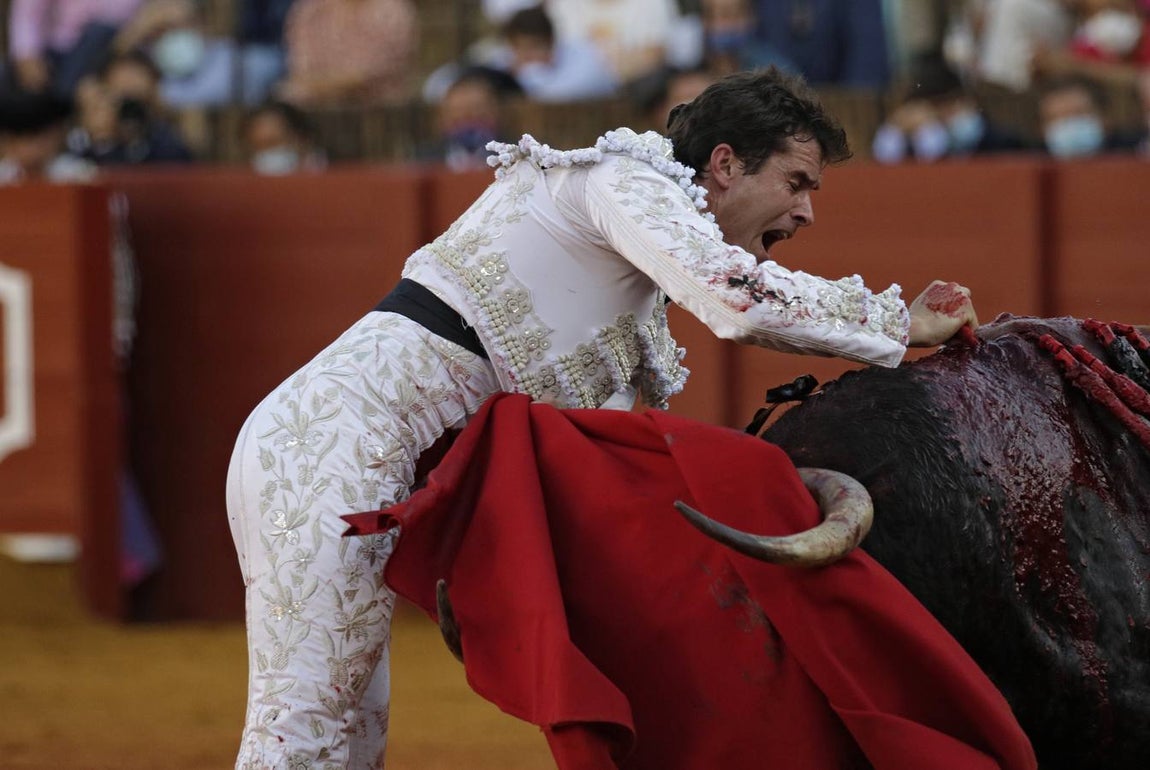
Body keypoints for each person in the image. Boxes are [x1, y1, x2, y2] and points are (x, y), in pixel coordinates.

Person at [224, 66, 978, 769]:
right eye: (796, 181)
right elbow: (735, 300)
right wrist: (894, 321)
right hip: (326, 445)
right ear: (724, 164)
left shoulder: (629, 282)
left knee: (353, 729)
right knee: (309, 726)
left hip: (371, 464)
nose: (807, 209)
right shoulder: (618, 180)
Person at [278, 0, 417, 108]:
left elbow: (372, 73)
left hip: (379, 112)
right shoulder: (310, 11)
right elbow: (301, 70)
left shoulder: (393, 10)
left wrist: (328, 84)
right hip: (315, 108)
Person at [243, 100, 328, 175]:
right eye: (257, 147)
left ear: (302, 139)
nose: (265, 155)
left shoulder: (330, 172)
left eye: (273, 144)